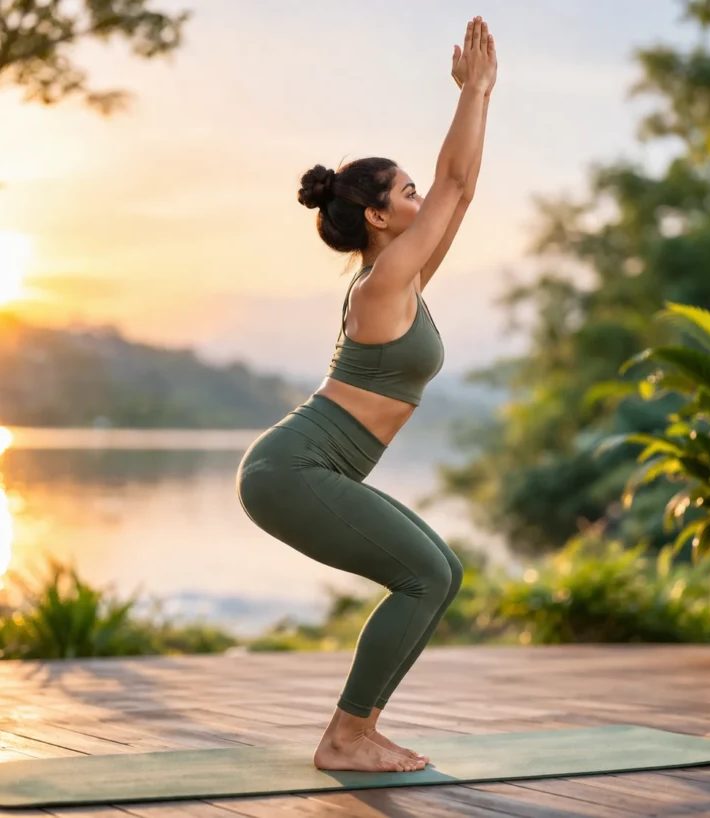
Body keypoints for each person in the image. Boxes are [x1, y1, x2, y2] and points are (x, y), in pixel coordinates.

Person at [235, 15, 496, 773]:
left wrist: (478, 101)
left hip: (310, 469)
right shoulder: (382, 283)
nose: (425, 198)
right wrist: (476, 90)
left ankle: (361, 728)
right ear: (378, 217)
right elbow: (451, 184)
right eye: (407, 193)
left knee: (439, 574)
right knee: (424, 575)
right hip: (292, 470)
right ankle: (345, 737)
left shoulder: (403, 283)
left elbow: (462, 191)